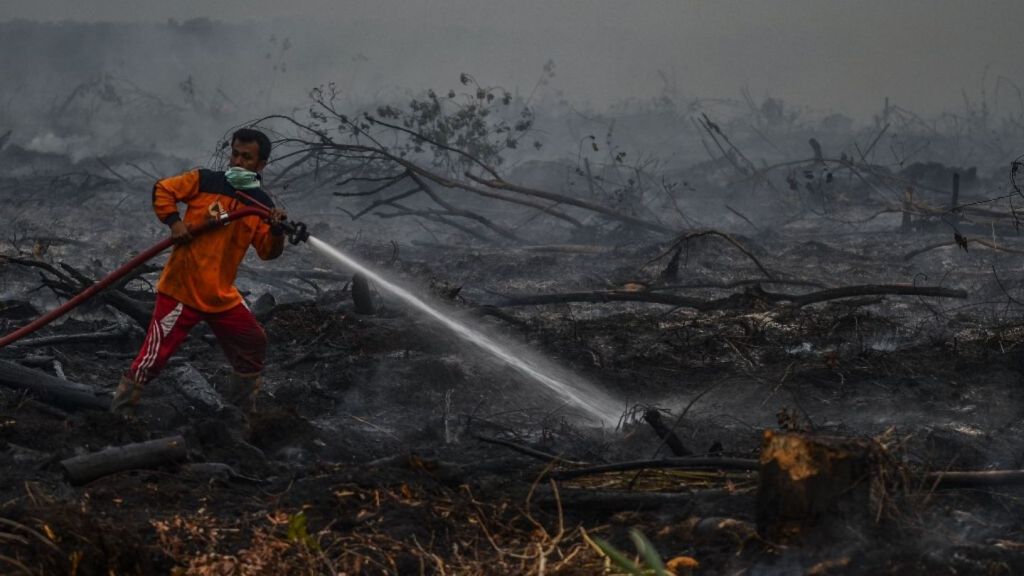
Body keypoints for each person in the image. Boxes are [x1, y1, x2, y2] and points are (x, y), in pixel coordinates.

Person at [111, 128, 287, 416]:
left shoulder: (261, 205)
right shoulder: (205, 180)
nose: (238, 162)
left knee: (253, 341)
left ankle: (239, 415)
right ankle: (119, 415)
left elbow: (268, 251)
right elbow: (163, 189)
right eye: (235, 154)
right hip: (182, 288)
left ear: (261, 165)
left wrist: (278, 230)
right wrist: (175, 223)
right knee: (153, 358)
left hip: (220, 294)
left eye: (247, 157)